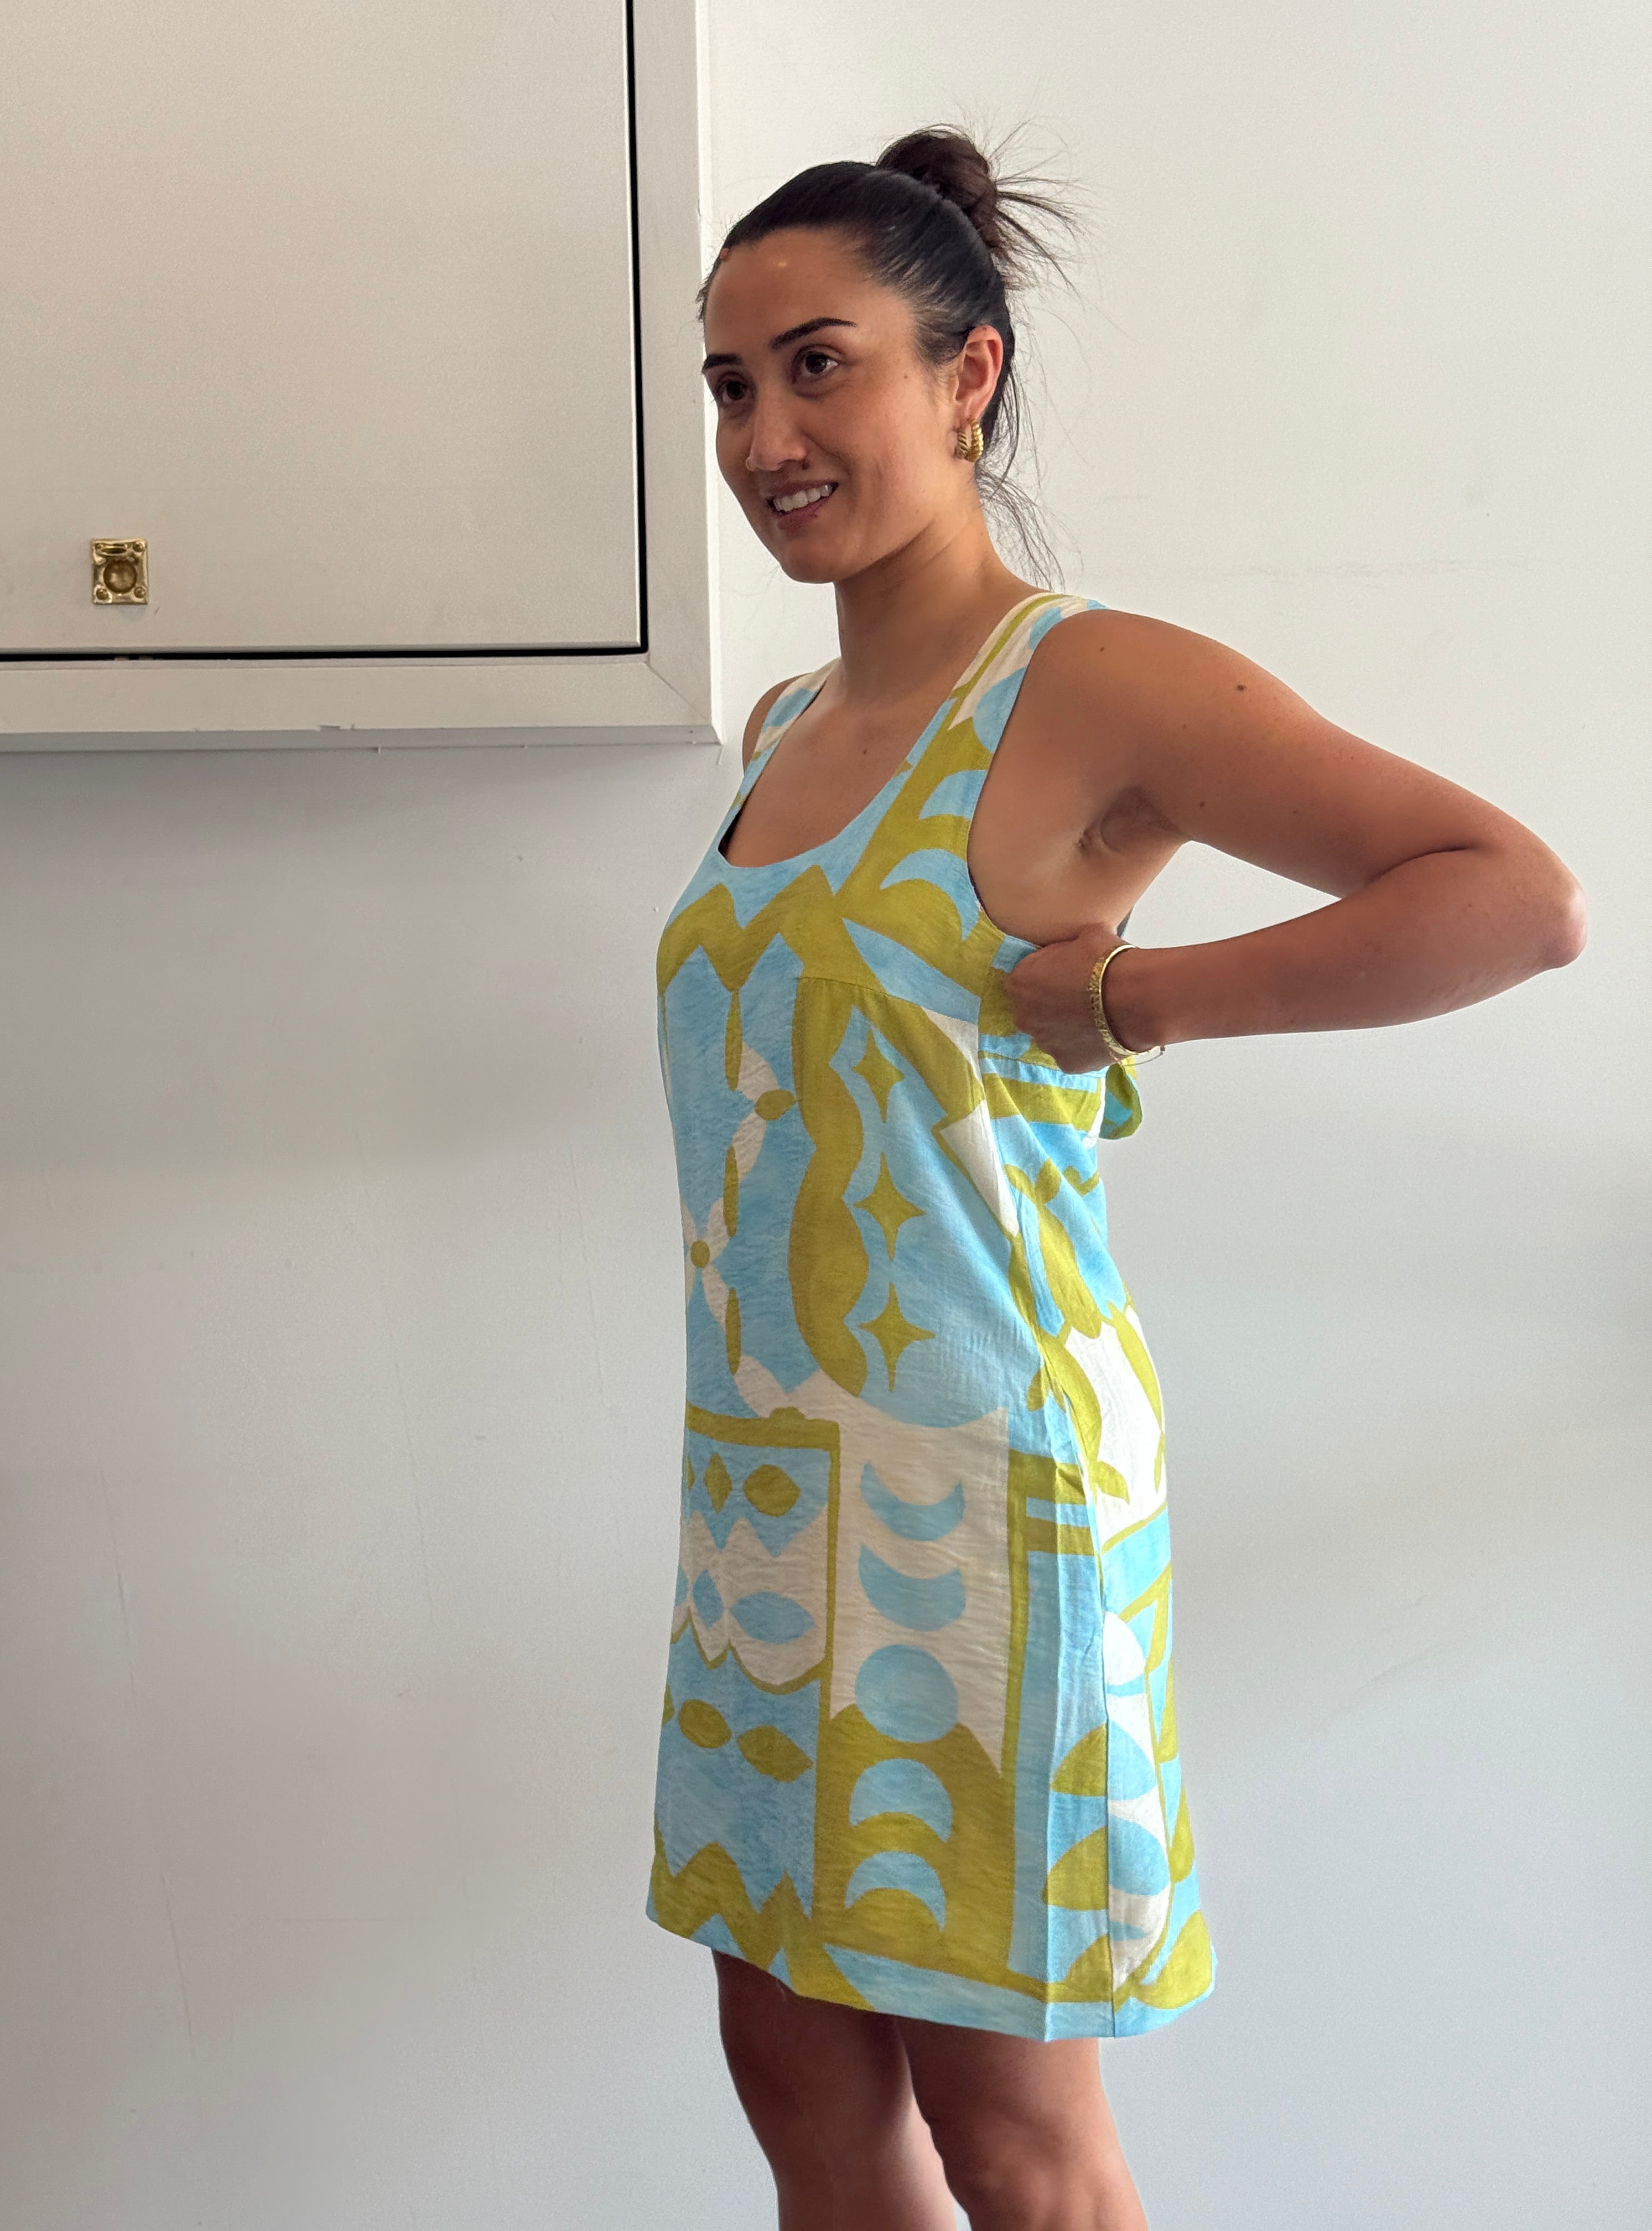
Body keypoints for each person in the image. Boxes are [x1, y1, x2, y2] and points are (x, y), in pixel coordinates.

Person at [643, 124, 1586, 2231]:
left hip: (982, 1509)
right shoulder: (787, 719)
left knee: (1017, 2137)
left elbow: (1511, 899)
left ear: (965, 375)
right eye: (728, 383)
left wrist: (1144, 995)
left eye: (821, 367)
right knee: (791, 2067)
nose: (765, 432)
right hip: (770, 1500)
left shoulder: (1089, 685)